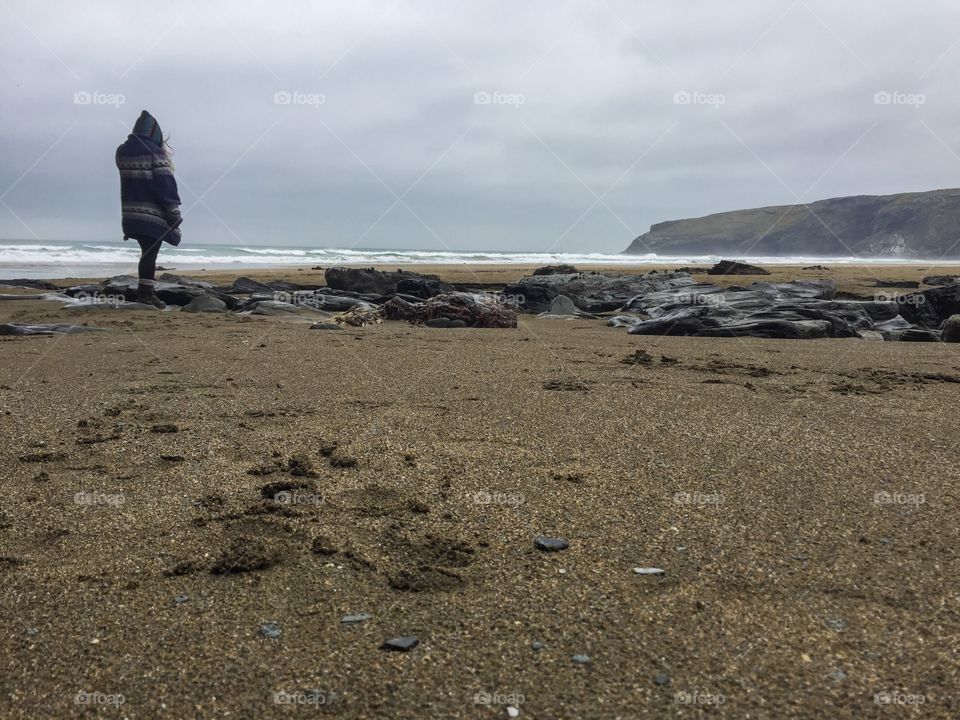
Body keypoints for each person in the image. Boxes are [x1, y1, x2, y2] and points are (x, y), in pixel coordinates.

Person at [115, 110, 182, 308]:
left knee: (146, 251)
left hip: (130, 213)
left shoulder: (122, 152)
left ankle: (145, 290)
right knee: (150, 253)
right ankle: (145, 293)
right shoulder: (155, 152)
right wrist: (173, 212)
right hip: (152, 215)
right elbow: (165, 184)